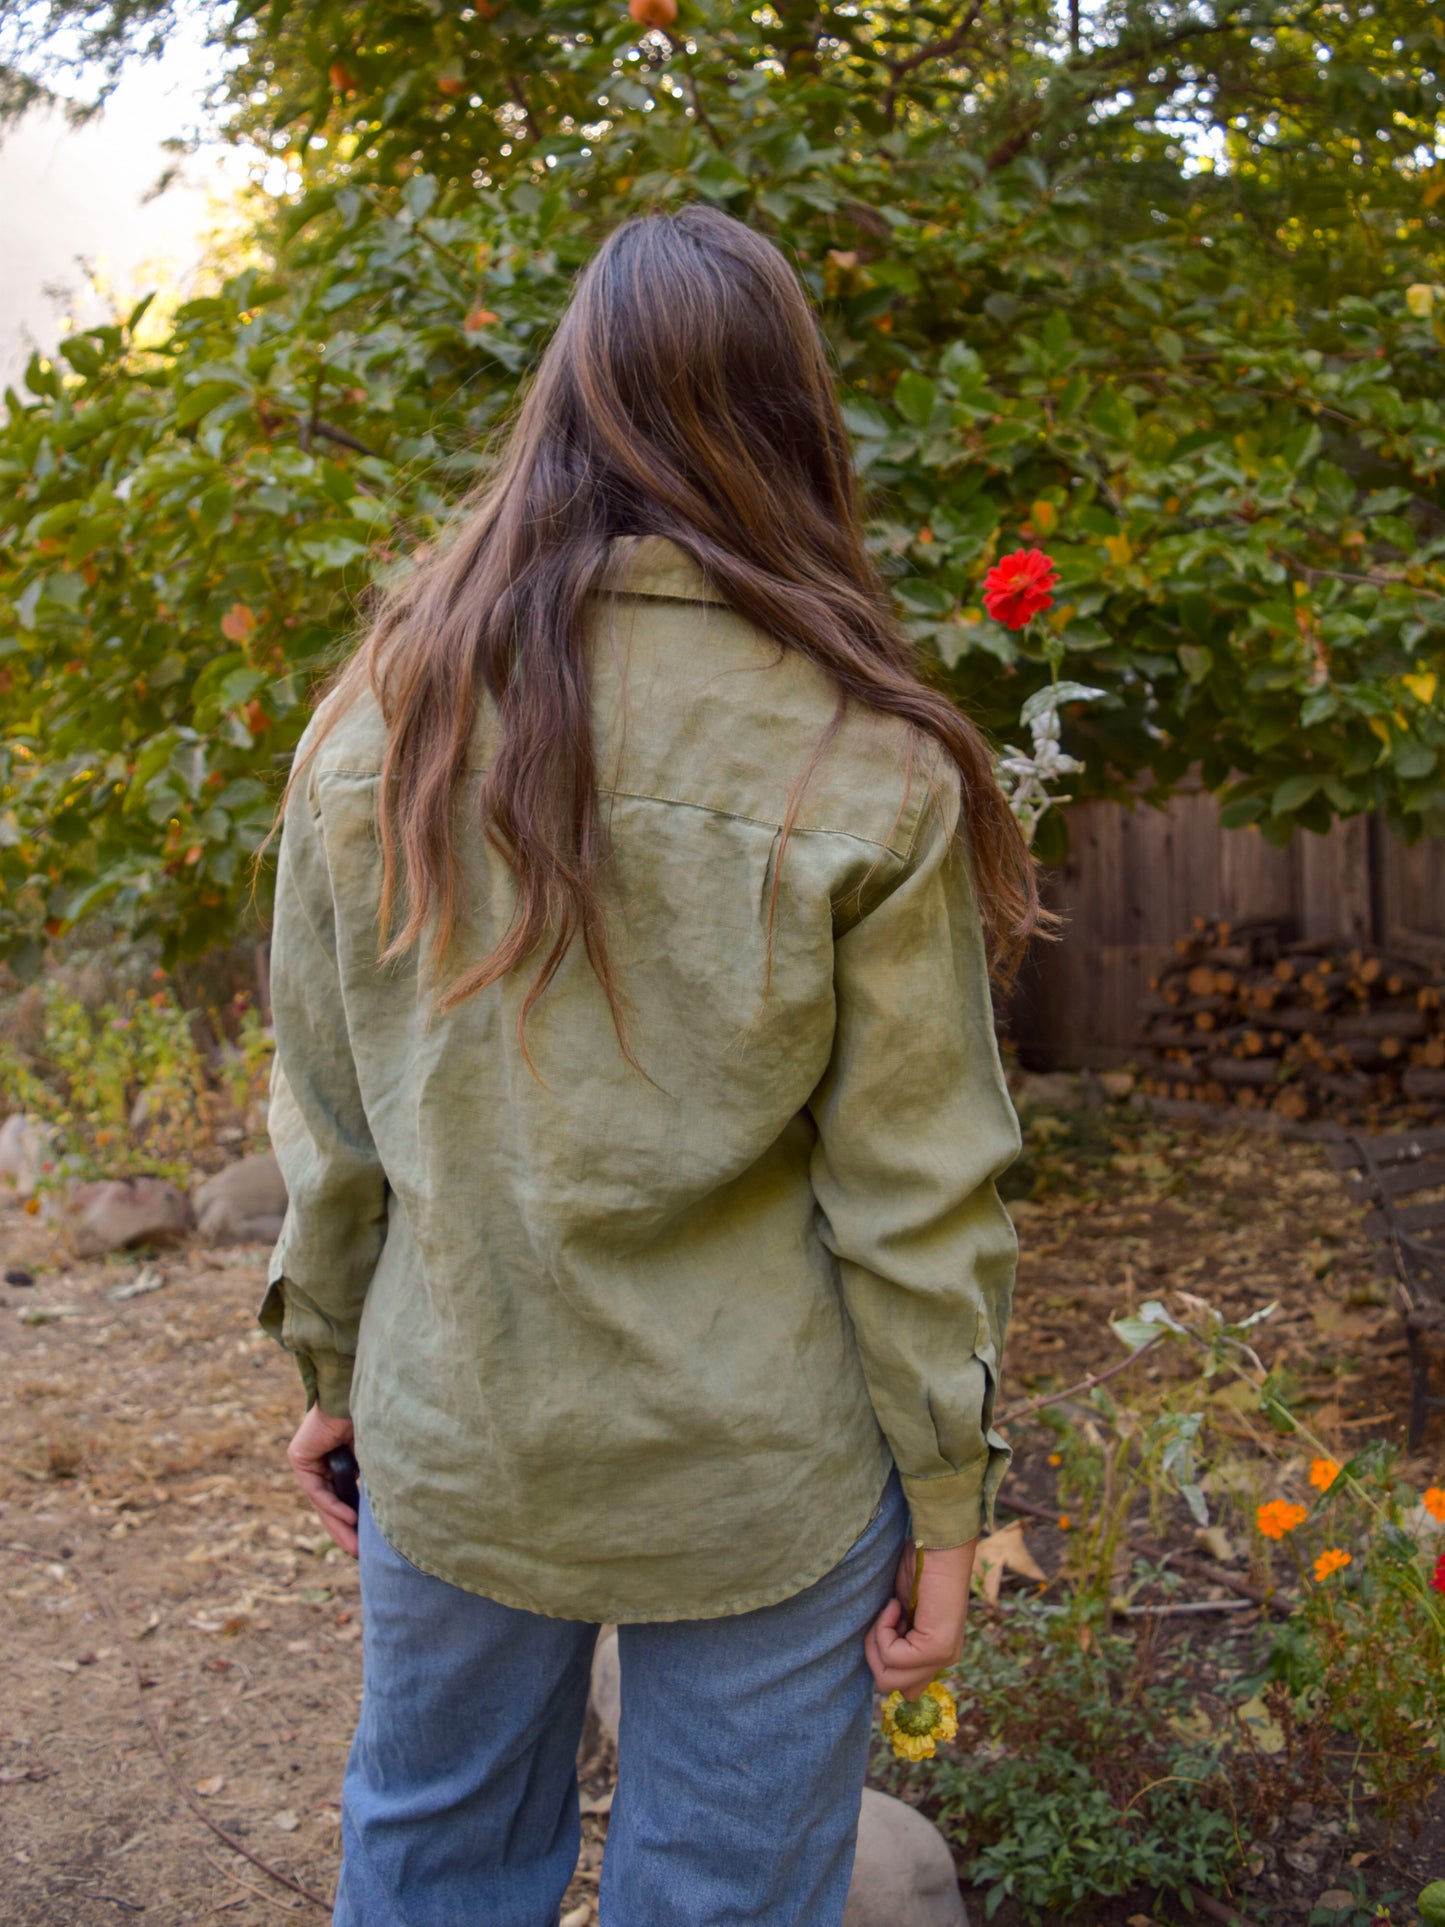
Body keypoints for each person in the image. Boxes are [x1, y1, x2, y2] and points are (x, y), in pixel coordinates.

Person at [259, 202, 1036, 1927]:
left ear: (562, 404)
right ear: (792, 426)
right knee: (728, 1898)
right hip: (756, 1468)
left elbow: (329, 1112)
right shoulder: (870, 755)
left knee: (434, 1851)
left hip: (458, 1429)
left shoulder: (379, 719)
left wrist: (330, 1360)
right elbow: (916, 1191)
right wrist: (942, 1500)